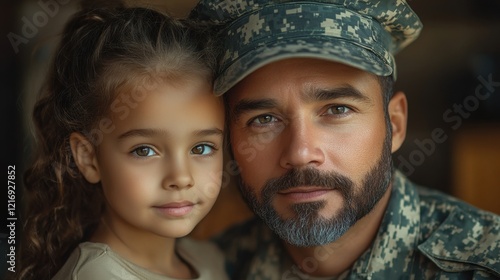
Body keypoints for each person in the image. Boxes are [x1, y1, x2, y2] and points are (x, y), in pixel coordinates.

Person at [188, 0, 500, 279]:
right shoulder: (208, 268)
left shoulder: (484, 263)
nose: (300, 153)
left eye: (337, 109)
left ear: (395, 124)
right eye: (264, 119)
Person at [13, 5, 227, 280]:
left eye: (202, 148)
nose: (181, 177)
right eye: (145, 150)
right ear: (89, 158)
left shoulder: (209, 259)